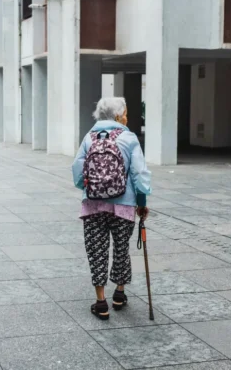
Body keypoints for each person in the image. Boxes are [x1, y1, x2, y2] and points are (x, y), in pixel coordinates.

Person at [72, 97, 151, 320]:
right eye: (125, 112)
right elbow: (139, 175)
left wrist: (89, 189)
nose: (127, 115)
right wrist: (142, 203)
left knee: (96, 251)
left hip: (93, 206)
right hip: (124, 206)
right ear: (118, 116)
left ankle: (100, 302)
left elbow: (77, 172)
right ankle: (119, 294)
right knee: (121, 249)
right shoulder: (129, 138)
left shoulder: (89, 137)